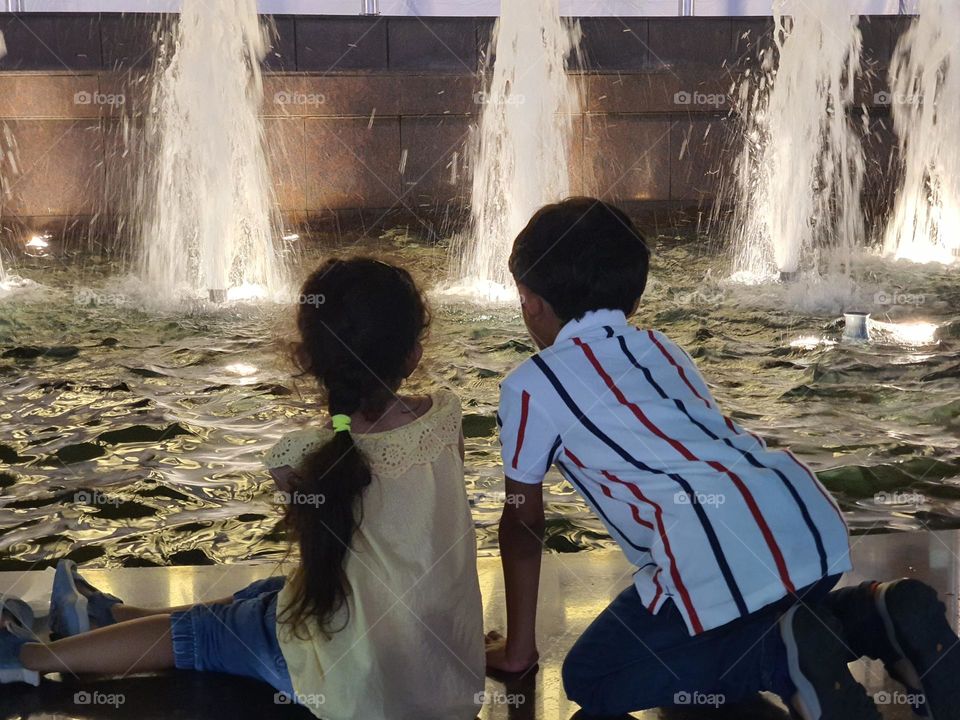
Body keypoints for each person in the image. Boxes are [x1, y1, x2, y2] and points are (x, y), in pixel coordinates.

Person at [484, 197, 960, 720]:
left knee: (594, 677)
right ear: (633, 298)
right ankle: (877, 613)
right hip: (802, 522)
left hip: (707, 552)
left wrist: (519, 652)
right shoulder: (662, 348)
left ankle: (776, 658)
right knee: (770, 610)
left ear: (529, 301)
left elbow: (523, 519)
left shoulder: (530, 385)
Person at [0, 257, 485, 720]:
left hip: (356, 693)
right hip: (447, 683)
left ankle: (30, 656)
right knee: (272, 593)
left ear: (307, 358)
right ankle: (110, 616)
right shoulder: (447, 417)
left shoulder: (300, 457)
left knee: (205, 635)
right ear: (414, 354)